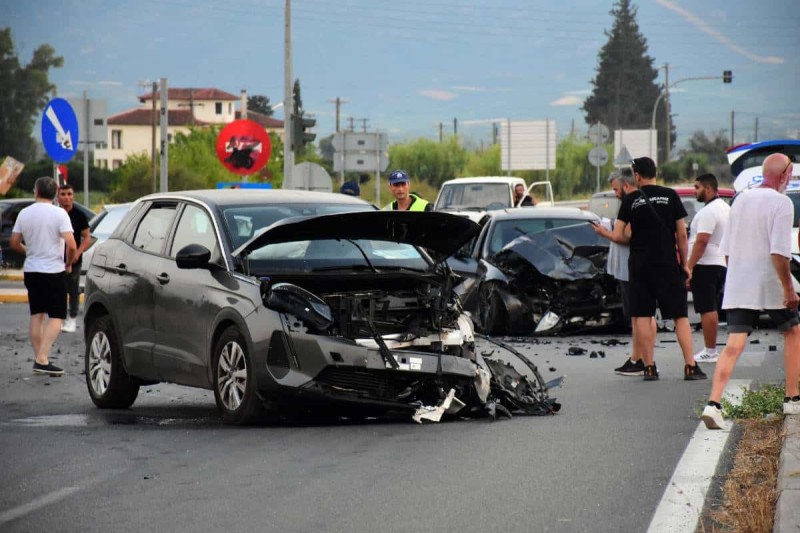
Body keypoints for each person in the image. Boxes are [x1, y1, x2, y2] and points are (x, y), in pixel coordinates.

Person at [702, 153, 800, 429]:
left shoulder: (741, 199)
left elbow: (728, 250)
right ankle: (792, 397)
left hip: (740, 281)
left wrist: (736, 279)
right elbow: (779, 253)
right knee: (793, 331)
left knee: (734, 344)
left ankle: (714, 403)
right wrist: (788, 290)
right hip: (769, 281)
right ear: (784, 175)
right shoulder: (782, 203)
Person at [611, 157, 706, 381]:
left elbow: (617, 234)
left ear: (637, 176)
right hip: (667, 265)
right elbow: (682, 234)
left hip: (640, 267)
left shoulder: (631, 200)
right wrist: (685, 264)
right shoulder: (671, 196)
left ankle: (649, 367)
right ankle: (690, 366)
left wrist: (634, 236)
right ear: (655, 172)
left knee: (643, 316)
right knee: (680, 316)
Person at [9, 176, 77, 376]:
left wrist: (28, 251)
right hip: (53, 270)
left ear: (35, 191)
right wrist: (68, 263)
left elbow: (14, 242)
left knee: (36, 315)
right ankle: (42, 358)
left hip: (32, 270)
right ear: (56, 193)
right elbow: (71, 244)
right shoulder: (59, 214)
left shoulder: (24, 213)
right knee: (57, 316)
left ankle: (41, 357)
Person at [593, 167, 655, 376]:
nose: (615, 193)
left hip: (631, 268)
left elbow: (626, 237)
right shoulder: (641, 201)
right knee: (644, 316)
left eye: (617, 189)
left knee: (639, 317)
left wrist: (605, 232)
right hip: (637, 267)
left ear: (627, 185)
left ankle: (641, 360)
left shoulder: (633, 204)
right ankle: (642, 359)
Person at [686, 173, 730, 363]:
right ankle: (710, 349)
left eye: (697, 187)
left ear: (708, 188)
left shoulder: (708, 212)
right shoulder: (725, 208)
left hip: (706, 264)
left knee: (707, 308)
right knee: (710, 306)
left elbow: (702, 240)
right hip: (719, 262)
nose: (695, 191)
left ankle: (710, 351)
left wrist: (689, 266)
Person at [57, 183, 91, 333]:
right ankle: (59, 318)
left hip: (74, 260)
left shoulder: (79, 215)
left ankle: (72, 318)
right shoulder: (55, 214)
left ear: (73, 196)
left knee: (73, 290)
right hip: (56, 258)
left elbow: (87, 237)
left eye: (69, 194)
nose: (66, 197)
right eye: (63, 194)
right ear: (58, 196)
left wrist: (77, 252)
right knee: (58, 290)